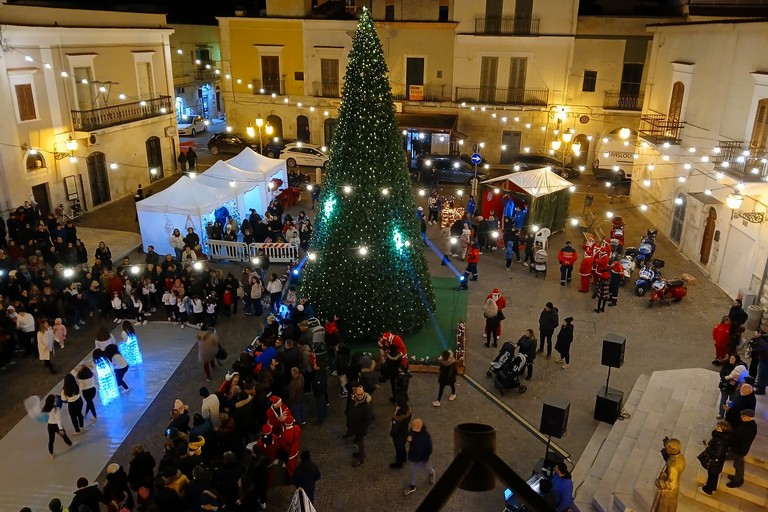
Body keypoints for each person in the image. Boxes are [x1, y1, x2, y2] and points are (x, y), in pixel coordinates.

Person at [650, 438, 685, 512]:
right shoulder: (680, 457)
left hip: (667, 493)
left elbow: (670, 484)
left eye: (667, 448)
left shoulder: (673, 467)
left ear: (673, 450)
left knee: (662, 508)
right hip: (674, 489)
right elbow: (669, 458)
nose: (666, 449)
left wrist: (658, 481)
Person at [699, 420, 732, 495]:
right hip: (718, 463)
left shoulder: (720, 441)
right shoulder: (723, 438)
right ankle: (713, 488)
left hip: (715, 463)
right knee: (714, 476)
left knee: (712, 475)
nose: (717, 428)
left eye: (719, 427)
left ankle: (708, 490)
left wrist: (707, 447)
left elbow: (716, 454)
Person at [403, 418, 435, 496]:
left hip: (422, 458)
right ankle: (412, 486)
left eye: (415, 429)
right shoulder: (413, 431)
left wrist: (425, 457)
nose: (413, 430)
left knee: (426, 468)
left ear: (420, 427)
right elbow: (409, 434)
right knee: (412, 472)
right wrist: (409, 439)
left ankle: (431, 473)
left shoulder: (426, 437)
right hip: (413, 456)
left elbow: (429, 449)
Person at [346, 382, 373, 468]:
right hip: (355, 427)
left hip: (360, 429)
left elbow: (368, 421)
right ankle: (361, 453)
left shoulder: (366, 406)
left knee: (360, 443)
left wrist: (358, 429)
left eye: (361, 394)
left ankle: (361, 458)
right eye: (358, 394)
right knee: (358, 442)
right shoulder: (353, 400)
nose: (360, 396)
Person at [41, 394, 73, 459]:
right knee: (64, 436)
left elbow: (44, 418)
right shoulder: (56, 409)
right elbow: (58, 420)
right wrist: (60, 429)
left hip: (49, 426)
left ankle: (51, 453)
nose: (56, 399)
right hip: (56, 425)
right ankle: (70, 444)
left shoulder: (45, 409)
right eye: (55, 399)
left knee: (51, 440)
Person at [390, 395, 412, 469]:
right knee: (402, 445)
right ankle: (404, 457)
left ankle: (399, 463)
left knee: (398, 448)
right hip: (404, 431)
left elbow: (394, 428)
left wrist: (392, 433)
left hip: (398, 435)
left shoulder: (397, 416)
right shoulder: (408, 409)